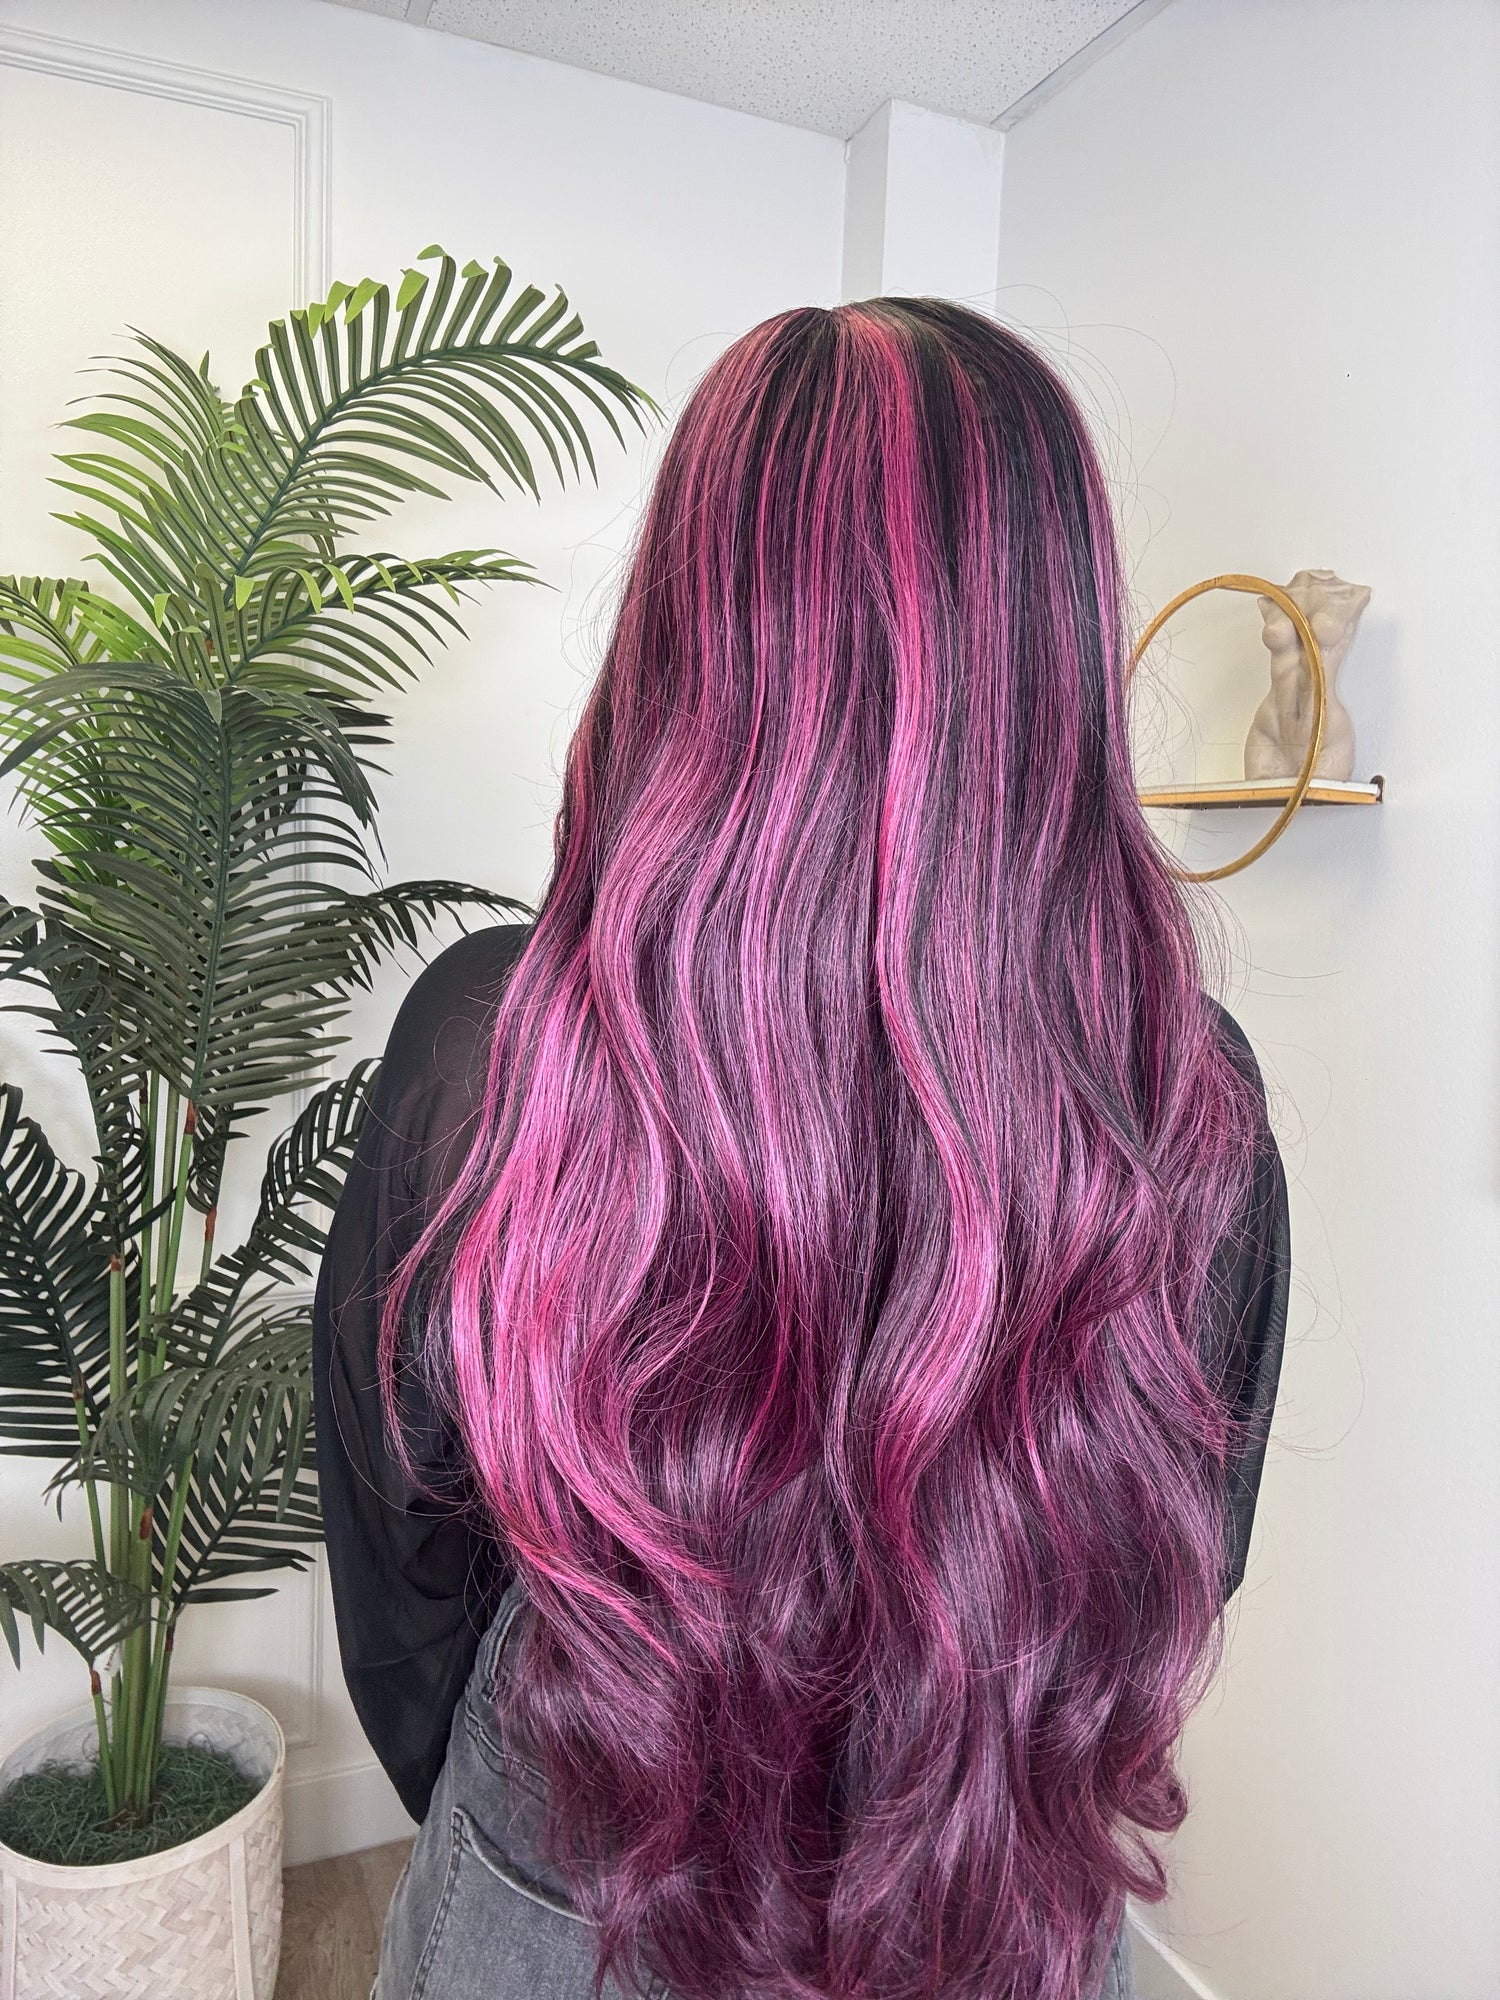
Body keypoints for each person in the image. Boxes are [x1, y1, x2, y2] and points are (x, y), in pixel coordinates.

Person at [312, 297, 1290, 2000]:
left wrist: (525, 1789)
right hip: (988, 1887)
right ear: (1049, 652)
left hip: (580, 1860)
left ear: (683, 627)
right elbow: (1185, 1547)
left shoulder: (492, 1044)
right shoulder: (1185, 1096)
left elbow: (402, 1554)